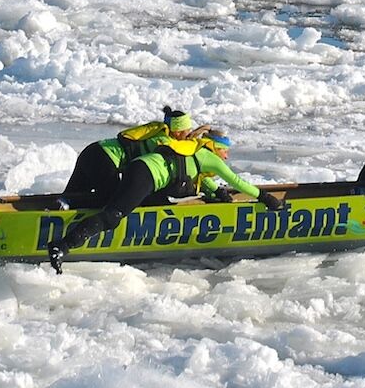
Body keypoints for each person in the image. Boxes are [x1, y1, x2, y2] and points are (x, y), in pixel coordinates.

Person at [46, 131, 284, 270]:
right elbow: (237, 181)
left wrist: (215, 192)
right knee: (113, 215)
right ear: (214, 147)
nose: (227, 154)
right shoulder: (210, 157)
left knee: (128, 202)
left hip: (141, 170)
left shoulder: (196, 153)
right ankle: (62, 246)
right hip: (145, 175)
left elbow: (196, 174)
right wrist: (265, 198)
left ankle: (70, 206)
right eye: (224, 149)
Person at [59, 107, 197, 208]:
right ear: (178, 131)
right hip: (104, 159)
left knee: (71, 195)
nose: (190, 134)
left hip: (93, 151)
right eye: (188, 131)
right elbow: (182, 150)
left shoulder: (156, 131)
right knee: (113, 201)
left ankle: (59, 208)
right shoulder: (163, 140)